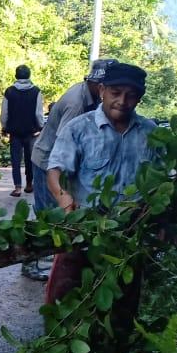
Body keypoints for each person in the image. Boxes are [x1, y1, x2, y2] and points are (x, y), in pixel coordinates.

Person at [45, 61, 159, 353]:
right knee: (64, 299)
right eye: (116, 92)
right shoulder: (78, 128)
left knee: (122, 307)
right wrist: (64, 199)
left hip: (128, 239)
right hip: (83, 232)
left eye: (131, 95)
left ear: (140, 97)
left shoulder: (151, 134)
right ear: (102, 91)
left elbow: (163, 180)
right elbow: (55, 171)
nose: (122, 101)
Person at [20, 58, 116, 281]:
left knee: (64, 214)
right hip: (48, 161)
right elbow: (65, 145)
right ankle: (30, 262)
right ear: (97, 84)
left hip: (61, 162)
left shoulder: (93, 97)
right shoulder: (77, 104)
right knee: (48, 215)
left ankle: (60, 263)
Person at [0, 65, 45, 198]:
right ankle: (29, 184)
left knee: (16, 160)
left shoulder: (9, 91)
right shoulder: (36, 91)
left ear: (16, 76)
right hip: (31, 131)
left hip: (15, 132)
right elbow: (38, 113)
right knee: (30, 159)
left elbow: (4, 113)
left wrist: (4, 126)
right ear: (29, 75)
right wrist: (40, 127)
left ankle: (17, 187)